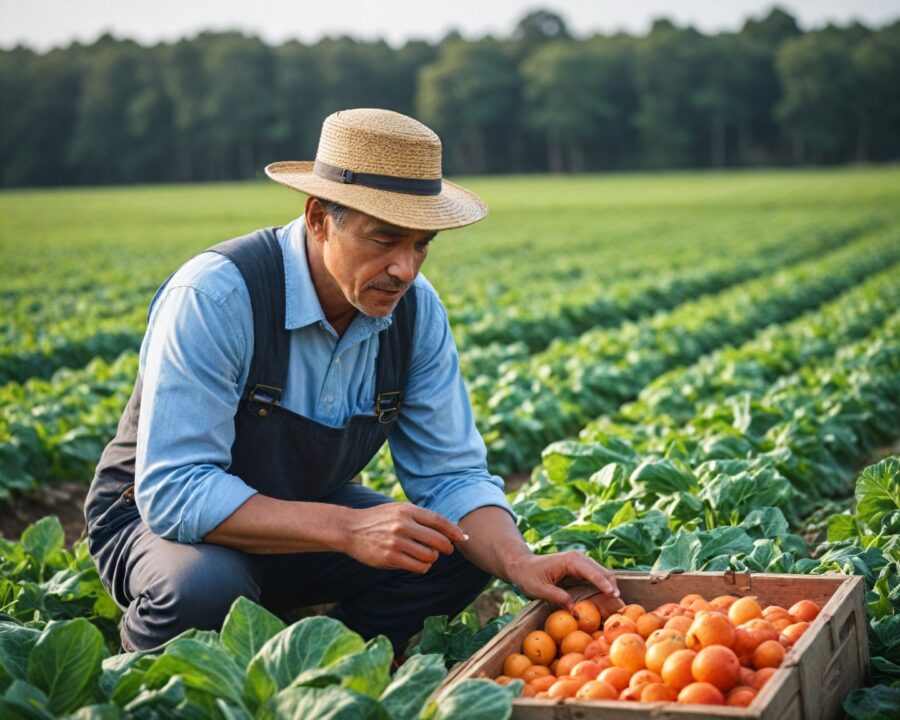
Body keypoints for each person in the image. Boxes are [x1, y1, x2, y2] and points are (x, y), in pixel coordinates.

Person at [84, 108, 620, 655]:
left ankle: (329, 664)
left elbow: (453, 473)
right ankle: (143, 680)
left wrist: (518, 561)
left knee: (455, 547)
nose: (405, 269)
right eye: (384, 239)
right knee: (204, 586)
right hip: (156, 526)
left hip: (300, 516)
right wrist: (346, 529)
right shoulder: (216, 297)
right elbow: (175, 491)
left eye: (421, 244)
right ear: (319, 218)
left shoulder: (415, 313)